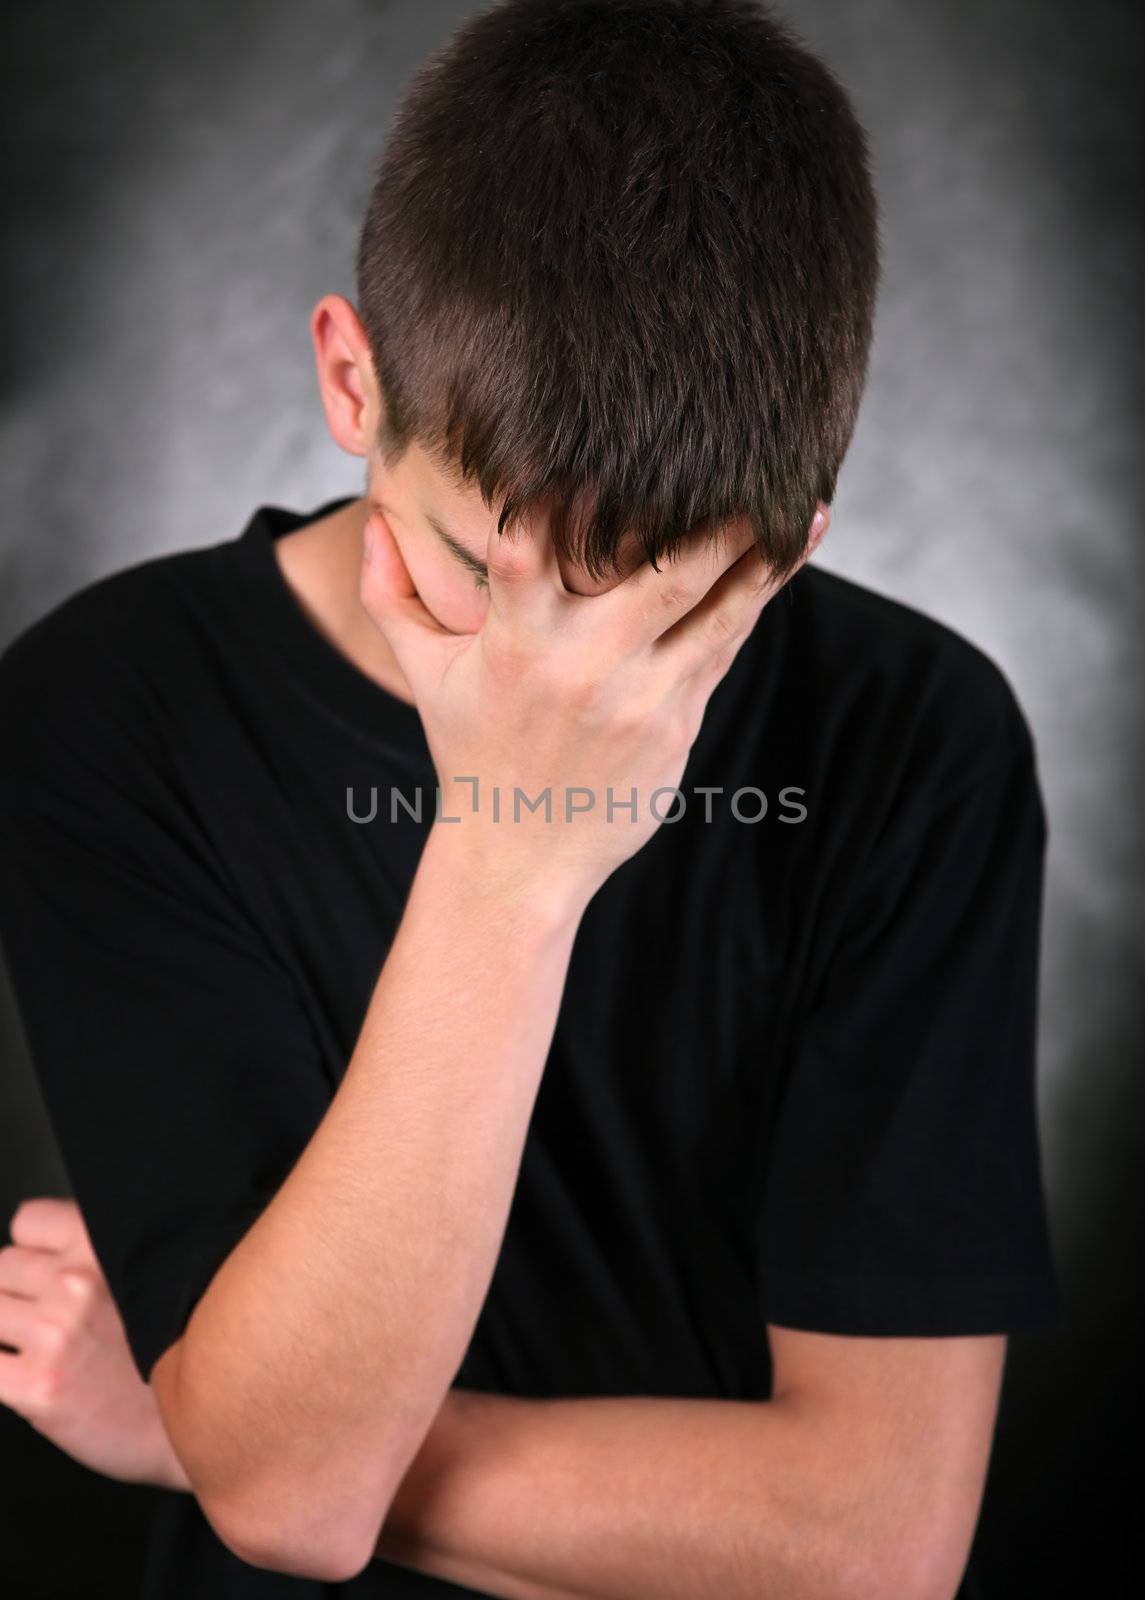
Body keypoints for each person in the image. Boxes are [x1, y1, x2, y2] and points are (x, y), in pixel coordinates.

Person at [0, 1, 1061, 1596]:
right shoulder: (106, 707)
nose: (548, 688)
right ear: (353, 385)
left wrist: (200, 1424)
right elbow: (290, 1494)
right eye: (477, 570)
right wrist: (512, 860)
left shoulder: (914, 732)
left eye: (650, 608)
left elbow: (868, 1545)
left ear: (794, 542)